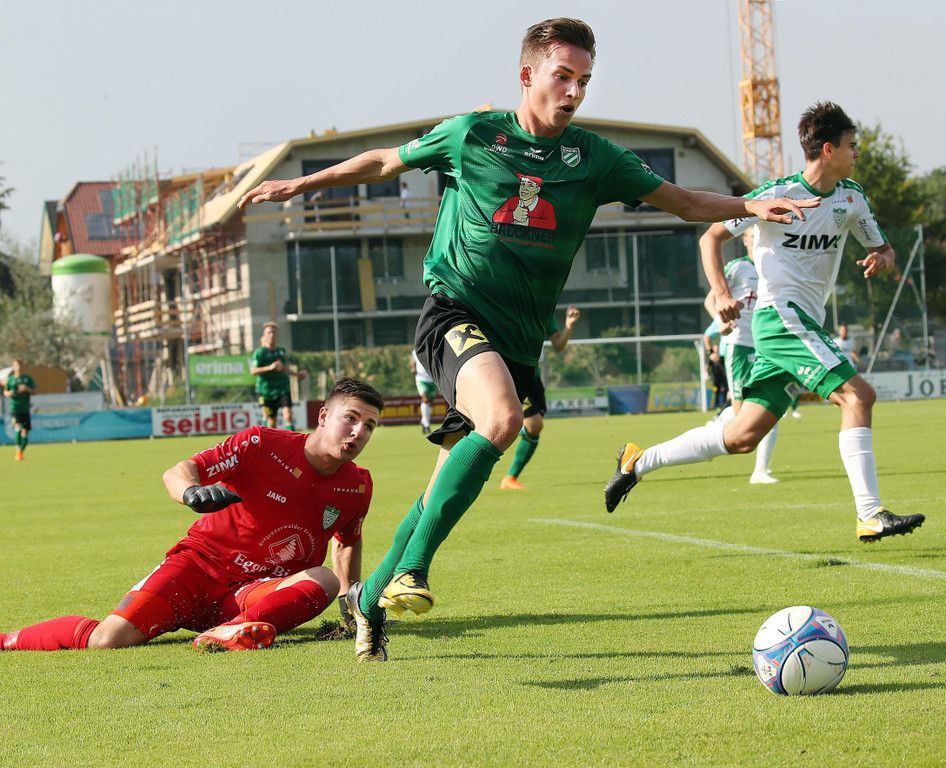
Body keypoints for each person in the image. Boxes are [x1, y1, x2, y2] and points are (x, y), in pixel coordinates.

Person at [239, 18, 816, 662]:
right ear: (527, 75)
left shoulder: (594, 158)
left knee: (439, 490)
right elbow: (383, 161)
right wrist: (301, 184)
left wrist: (748, 205)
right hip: (455, 312)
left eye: (584, 81)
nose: (574, 92)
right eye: (562, 76)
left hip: (518, 342)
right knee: (504, 419)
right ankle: (413, 573)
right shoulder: (473, 134)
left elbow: (681, 200)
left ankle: (367, 600)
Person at [604, 101, 925, 545]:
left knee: (741, 437)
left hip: (805, 323)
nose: (857, 153)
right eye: (852, 145)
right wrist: (720, 292)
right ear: (828, 149)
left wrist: (882, 259)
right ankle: (870, 514)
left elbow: (884, 249)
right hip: (781, 318)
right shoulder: (776, 194)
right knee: (859, 396)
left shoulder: (851, 198)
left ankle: (637, 462)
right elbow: (711, 237)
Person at [0, 379, 384, 656]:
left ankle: (230, 631)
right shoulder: (261, 445)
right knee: (106, 640)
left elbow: (347, 542)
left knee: (324, 580)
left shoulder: (358, 485)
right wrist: (191, 493)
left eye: (369, 426)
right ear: (323, 416)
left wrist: (352, 609)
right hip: (197, 569)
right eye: (350, 419)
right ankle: (0, 641)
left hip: (253, 595)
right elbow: (179, 471)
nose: (358, 432)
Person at [702, 243, 782, 484]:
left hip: (767, 345)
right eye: (751, 234)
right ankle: (706, 437)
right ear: (747, 240)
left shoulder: (776, 266)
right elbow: (710, 299)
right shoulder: (738, 267)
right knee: (741, 416)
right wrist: (720, 321)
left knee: (768, 408)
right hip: (740, 345)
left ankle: (761, 470)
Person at [500, 305, 580, 490]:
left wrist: (569, 325)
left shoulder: (542, 310)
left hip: (534, 378)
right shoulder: (509, 307)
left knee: (533, 429)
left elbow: (558, 345)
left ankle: (510, 478)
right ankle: (509, 476)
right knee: (535, 425)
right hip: (514, 376)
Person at [250, 321, 307, 430]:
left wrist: (297, 374)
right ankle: (269, 437)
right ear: (264, 335)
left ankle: (292, 439)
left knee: (288, 414)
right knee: (272, 420)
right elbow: (253, 371)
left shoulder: (281, 351)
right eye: (269, 332)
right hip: (266, 391)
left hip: (282, 388)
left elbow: (284, 368)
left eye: (274, 332)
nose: (272, 334)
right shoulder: (259, 353)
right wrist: (269, 367)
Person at [4, 358, 36, 461]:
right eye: (16, 365)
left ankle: (20, 452)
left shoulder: (27, 379)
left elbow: (34, 391)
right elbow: (5, 392)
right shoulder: (10, 379)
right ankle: (18, 451)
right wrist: (11, 393)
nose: (18, 367)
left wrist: (26, 389)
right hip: (15, 408)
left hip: (25, 409)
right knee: (17, 427)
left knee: (25, 432)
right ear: (13, 367)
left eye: (20, 365)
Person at [411, 349, 436, 434]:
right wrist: (413, 368)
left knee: (430, 403)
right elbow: (413, 362)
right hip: (421, 379)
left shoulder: (432, 348)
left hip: (432, 379)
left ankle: (424, 420)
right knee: (425, 400)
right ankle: (426, 425)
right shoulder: (415, 351)